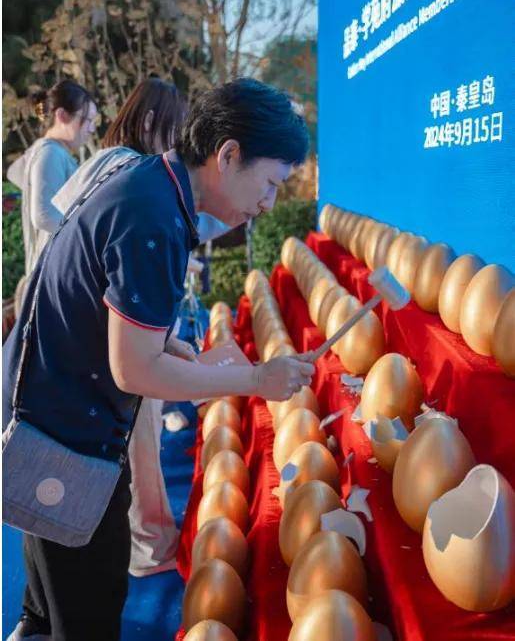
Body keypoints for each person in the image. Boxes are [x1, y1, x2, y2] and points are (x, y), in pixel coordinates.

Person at [3, 77, 314, 641]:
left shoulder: (150, 185)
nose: (268, 203)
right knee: (89, 603)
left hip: (54, 416)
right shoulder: (154, 216)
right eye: (270, 183)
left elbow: (101, 299)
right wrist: (254, 379)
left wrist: (162, 342)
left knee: (52, 589)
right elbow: (135, 371)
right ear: (228, 155)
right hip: (67, 434)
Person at [52, 77, 227, 578]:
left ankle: (144, 543)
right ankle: (151, 547)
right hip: (101, 349)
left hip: (87, 343)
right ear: (151, 122)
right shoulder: (137, 178)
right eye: (175, 132)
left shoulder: (106, 164)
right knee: (135, 445)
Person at [7, 81, 97, 313]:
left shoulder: (45, 151)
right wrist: (91, 236)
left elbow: (14, 172)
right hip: (51, 278)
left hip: (49, 276)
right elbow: (44, 215)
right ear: (62, 116)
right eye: (87, 120)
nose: (91, 129)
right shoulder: (50, 153)